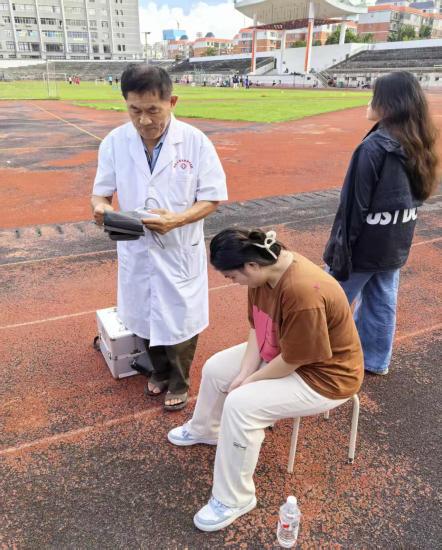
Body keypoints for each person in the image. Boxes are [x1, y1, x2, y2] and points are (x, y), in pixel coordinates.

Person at [168, 228, 364, 531]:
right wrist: (245, 372)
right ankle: (206, 429)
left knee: (241, 405)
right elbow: (257, 327)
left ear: (251, 266)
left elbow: (294, 361)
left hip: (325, 377)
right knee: (216, 369)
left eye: (232, 276)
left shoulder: (303, 291)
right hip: (285, 351)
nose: (232, 282)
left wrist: (252, 381)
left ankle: (235, 499)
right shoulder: (262, 273)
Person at [91, 65, 228, 410]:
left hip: (178, 247)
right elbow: (101, 193)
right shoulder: (115, 142)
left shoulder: (195, 142)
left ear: (172, 102)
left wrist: (178, 219)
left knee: (180, 319)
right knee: (143, 313)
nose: (143, 120)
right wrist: (101, 208)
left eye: (153, 110)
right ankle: (159, 371)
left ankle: (180, 380)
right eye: (134, 110)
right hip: (137, 248)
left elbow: (212, 197)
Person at [323, 71, 439, 375]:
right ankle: (374, 360)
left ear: (388, 104)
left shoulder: (373, 148)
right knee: (382, 300)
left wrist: (339, 255)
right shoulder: (419, 142)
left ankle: (313, 360)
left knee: (326, 301)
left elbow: (353, 209)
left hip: (363, 247)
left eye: (374, 96)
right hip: (395, 243)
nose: (369, 102)